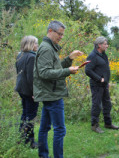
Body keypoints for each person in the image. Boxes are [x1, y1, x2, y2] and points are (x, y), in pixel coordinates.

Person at [33, 20, 83, 158]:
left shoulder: (49, 47)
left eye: (62, 34)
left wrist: (69, 58)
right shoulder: (46, 49)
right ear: (50, 31)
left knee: (44, 128)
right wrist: (68, 71)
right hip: (52, 94)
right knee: (60, 130)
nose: (61, 37)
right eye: (59, 34)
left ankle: (43, 155)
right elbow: (44, 73)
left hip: (50, 93)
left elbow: (55, 68)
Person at [85, 36, 119, 133]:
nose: (107, 46)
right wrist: (100, 79)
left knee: (107, 104)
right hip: (96, 85)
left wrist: (106, 82)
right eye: (105, 44)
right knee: (97, 105)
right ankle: (94, 126)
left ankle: (108, 123)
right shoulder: (92, 56)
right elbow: (88, 70)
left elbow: (105, 69)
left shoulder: (103, 55)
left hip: (104, 85)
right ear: (99, 45)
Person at [15, 35, 39, 149]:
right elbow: (31, 78)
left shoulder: (20, 55)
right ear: (30, 44)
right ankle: (30, 141)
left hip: (21, 89)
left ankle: (22, 138)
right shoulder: (31, 57)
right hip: (29, 91)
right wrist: (35, 92)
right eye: (35, 43)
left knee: (25, 114)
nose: (37, 45)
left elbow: (19, 73)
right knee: (30, 116)